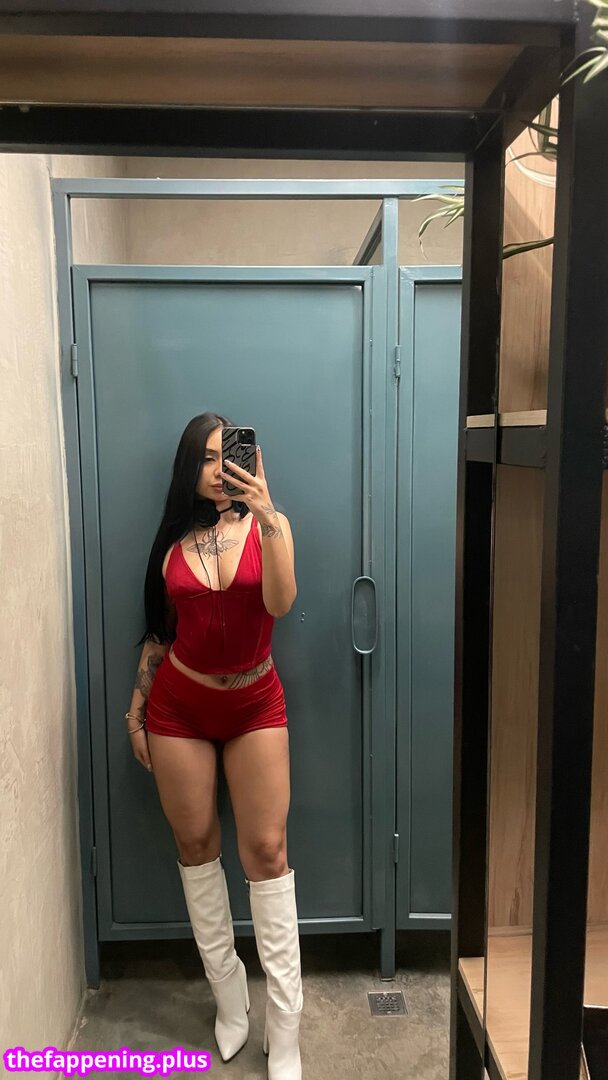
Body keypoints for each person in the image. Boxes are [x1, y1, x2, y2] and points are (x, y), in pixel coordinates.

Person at [124, 411, 303, 1079]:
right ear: (188, 470)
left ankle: (285, 1025)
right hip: (179, 709)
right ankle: (230, 1001)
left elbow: (281, 603)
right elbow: (159, 635)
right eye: (204, 458)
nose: (217, 469)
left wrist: (267, 509)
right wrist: (137, 711)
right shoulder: (172, 544)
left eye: (226, 454)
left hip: (256, 703)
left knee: (267, 852)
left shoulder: (271, 526)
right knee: (196, 845)